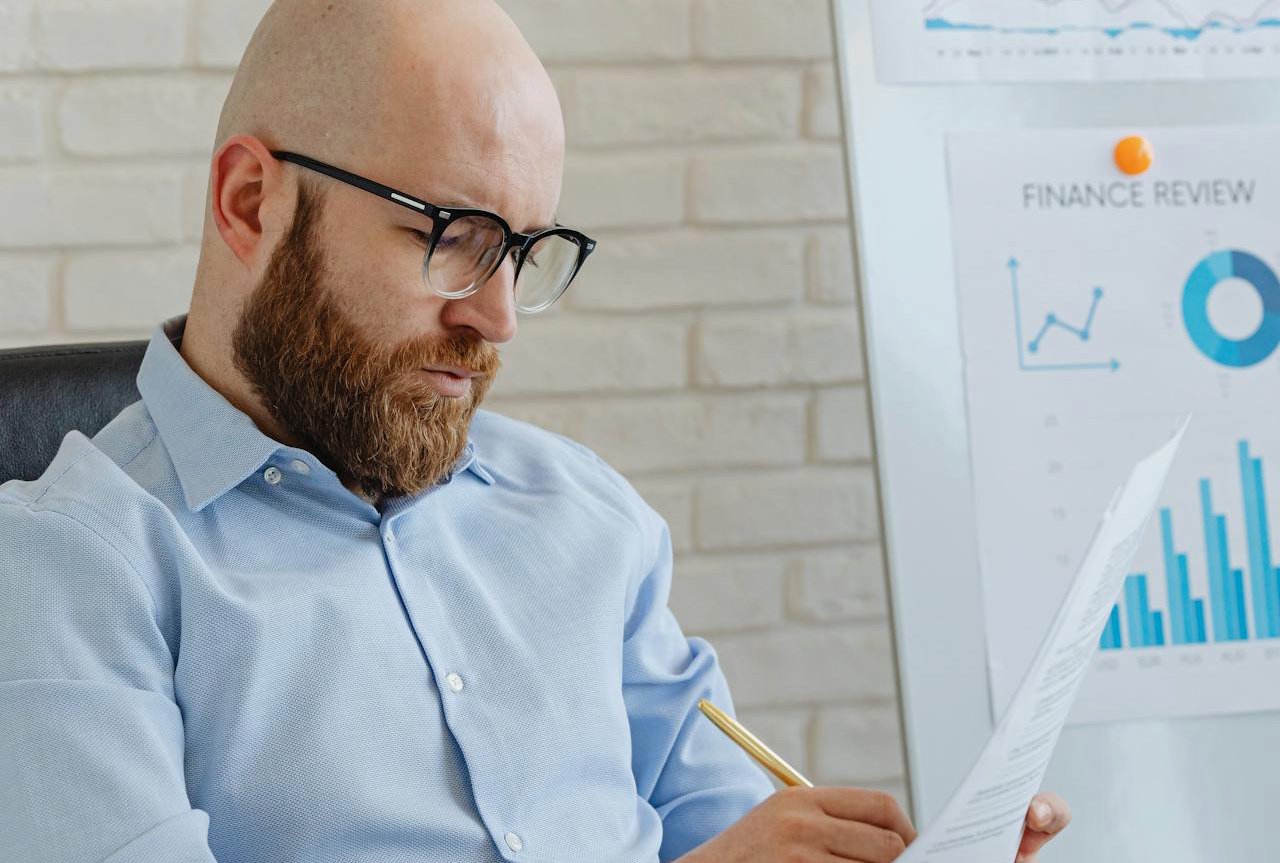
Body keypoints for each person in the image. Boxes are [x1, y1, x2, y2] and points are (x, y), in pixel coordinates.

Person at [0, 1, 1070, 861]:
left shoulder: (585, 515)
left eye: (523, 249)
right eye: (452, 237)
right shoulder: (66, 571)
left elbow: (723, 822)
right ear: (249, 202)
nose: (497, 316)